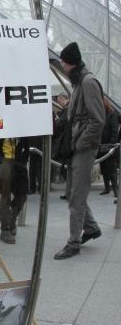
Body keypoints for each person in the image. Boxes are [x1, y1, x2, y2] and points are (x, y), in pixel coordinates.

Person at [54, 42, 105, 260]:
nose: (63, 67)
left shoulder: (88, 82)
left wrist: (80, 143)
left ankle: (73, 242)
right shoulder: (78, 82)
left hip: (83, 148)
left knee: (76, 196)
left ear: (71, 63)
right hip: (77, 146)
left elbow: (98, 120)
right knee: (73, 193)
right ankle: (91, 228)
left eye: (64, 64)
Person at [0, 138, 28, 244]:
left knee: (22, 196)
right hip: (5, 160)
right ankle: (5, 229)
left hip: (20, 162)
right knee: (5, 197)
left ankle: (12, 220)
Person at [98, 97, 119, 197]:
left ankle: (115, 189)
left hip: (110, 146)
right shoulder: (100, 114)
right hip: (101, 145)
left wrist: (111, 144)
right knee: (104, 168)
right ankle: (107, 188)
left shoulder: (112, 114)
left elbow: (114, 131)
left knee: (111, 168)